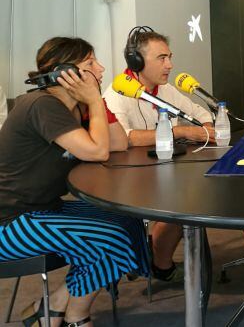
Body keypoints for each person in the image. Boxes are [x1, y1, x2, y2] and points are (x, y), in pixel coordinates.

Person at [0, 37, 148, 327]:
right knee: (110, 240)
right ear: (63, 73)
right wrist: (93, 98)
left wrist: (95, 102)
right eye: (90, 63)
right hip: (8, 223)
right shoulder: (42, 105)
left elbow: (117, 143)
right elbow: (97, 151)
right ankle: (76, 318)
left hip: (43, 209)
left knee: (128, 221)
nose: (102, 68)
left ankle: (51, 306)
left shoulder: (74, 108)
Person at [104, 27, 214, 283]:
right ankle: (159, 262)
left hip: (166, 170)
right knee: (184, 202)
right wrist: (179, 132)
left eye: (170, 57)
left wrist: (203, 127)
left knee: (200, 190)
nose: (170, 65)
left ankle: (155, 253)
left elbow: (202, 115)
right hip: (130, 179)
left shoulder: (164, 90)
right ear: (137, 62)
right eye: (161, 58)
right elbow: (124, 137)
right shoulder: (117, 93)